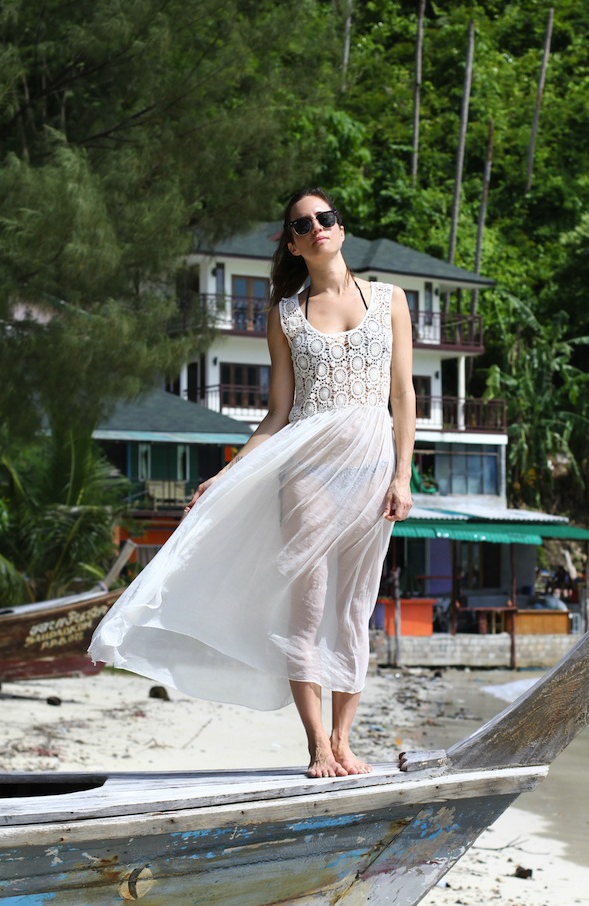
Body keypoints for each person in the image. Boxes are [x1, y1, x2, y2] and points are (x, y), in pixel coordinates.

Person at [89, 188, 416, 779]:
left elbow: (403, 394)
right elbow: (277, 413)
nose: (317, 227)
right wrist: (227, 472)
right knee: (309, 607)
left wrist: (403, 475)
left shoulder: (392, 300)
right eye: (302, 224)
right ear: (293, 244)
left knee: (353, 608)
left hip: (370, 469)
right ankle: (317, 746)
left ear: (341, 228)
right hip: (308, 472)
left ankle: (344, 742)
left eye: (325, 218)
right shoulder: (284, 315)